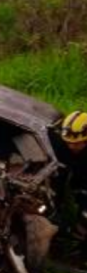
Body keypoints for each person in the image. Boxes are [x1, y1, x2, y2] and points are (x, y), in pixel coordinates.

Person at [53, 111, 87, 258]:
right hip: (72, 177)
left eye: (77, 144)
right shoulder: (61, 144)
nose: (71, 147)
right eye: (68, 143)